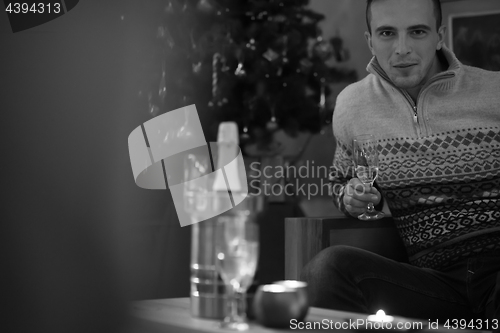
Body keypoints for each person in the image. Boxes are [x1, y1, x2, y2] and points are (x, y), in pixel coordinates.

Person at [301, 0, 500, 323]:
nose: (402, 48)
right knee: (327, 270)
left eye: (417, 32)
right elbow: (341, 181)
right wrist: (352, 197)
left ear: (439, 36)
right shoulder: (353, 105)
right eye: (387, 33)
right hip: (433, 282)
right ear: (370, 40)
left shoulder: (494, 92)